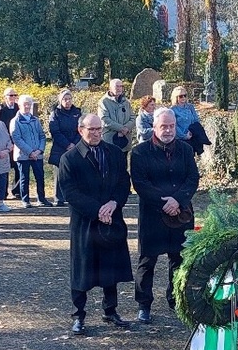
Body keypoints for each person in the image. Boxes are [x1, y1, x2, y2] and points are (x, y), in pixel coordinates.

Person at [59, 113, 133, 336]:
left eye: (99, 129)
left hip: (111, 217)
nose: (96, 133)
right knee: (82, 270)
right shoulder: (69, 159)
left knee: (110, 266)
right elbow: (70, 193)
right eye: (91, 129)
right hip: (85, 223)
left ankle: (110, 310)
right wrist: (97, 211)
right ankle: (78, 315)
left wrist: (113, 204)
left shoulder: (114, 153)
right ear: (80, 130)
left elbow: (123, 182)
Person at [130, 107, 200, 323]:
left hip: (181, 214)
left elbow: (192, 179)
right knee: (147, 261)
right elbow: (140, 184)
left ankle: (175, 299)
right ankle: (144, 304)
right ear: (154, 126)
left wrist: (177, 200)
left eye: (171, 126)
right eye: (164, 126)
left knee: (179, 260)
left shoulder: (186, 150)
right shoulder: (140, 152)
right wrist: (165, 203)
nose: (168, 130)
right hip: (153, 215)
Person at [11, 94, 53, 208]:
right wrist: (30, 152)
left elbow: (42, 136)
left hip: (37, 154)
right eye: (25, 104)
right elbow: (17, 139)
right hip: (23, 155)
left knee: (40, 177)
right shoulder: (15, 121)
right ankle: (25, 200)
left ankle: (42, 199)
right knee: (24, 178)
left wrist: (39, 150)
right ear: (19, 105)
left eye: (29, 104)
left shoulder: (35, 120)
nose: (27, 106)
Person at [47, 89, 82, 207]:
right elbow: (55, 132)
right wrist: (67, 144)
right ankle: (59, 198)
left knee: (75, 173)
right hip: (60, 147)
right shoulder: (55, 114)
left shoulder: (77, 112)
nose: (67, 101)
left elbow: (81, 129)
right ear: (60, 101)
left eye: (69, 99)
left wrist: (75, 143)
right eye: (65, 99)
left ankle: (73, 196)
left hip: (76, 146)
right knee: (59, 173)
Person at [170, 86, 211, 155]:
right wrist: (184, 136)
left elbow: (196, 119)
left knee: (192, 158)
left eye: (185, 95)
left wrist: (191, 131)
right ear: (176, 97)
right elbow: (174, 125)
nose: (183, 98)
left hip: (192, 135)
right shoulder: (172, 110)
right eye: (180, 96)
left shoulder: (190, 107)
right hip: (181, 138)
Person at [99, 78, 135, 153]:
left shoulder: (126, 102)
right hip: (110, 140)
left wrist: (126, 128)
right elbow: (104, 119)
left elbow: (132, 117)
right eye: (117, 86)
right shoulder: (103, 102)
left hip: (125, 140)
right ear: (110, 88)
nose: (119, 88)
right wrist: (121, 128)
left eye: (121, 86)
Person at [0, 87, 21, 198]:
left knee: (18, 167)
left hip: (17, 143)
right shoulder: (0, 110)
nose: (12, 97)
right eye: (10, 95)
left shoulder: (19, 108)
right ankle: (3, 192)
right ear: (5, 97)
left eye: (14, 95)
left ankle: (17, 191)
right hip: (5, 143)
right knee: (5, 168)